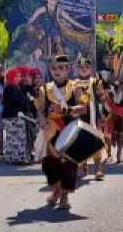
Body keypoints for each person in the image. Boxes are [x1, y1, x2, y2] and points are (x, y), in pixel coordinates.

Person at [36, 54, 89, 210]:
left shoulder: (75, 87)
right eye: (53, 68)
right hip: (51, 131)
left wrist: (65, 109)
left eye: (60, 68)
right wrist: (42, 120)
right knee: (50, 165)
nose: (56, 71)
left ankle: (64, 196)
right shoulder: (44, 89)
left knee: (68, 165)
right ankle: (57, 189)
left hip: (70, 130)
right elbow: (40, 110)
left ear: (67, 69)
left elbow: (83, 108)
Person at [75, 57, 109, 181]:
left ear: (90, 69)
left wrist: (104, 102)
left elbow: (102, 97)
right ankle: (83, 167)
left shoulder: (96, 82)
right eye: (81, 67)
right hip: (79, 118)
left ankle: (98, 168)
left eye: (86, 67)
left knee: (96, 142)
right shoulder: (73, 83)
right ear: (78, 69)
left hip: (94, 118)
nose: (84, 70)